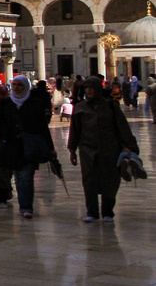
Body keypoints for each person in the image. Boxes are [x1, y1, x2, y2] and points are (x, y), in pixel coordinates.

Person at [67, 76, 139, 223]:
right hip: (87, 150)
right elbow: (75, 130)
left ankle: (108, 212)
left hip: (109, 149)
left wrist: (130, 146)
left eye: (92, 88)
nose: (89, 91)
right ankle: (92, 212)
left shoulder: (110, 106)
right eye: (87, 88)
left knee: (110, 180)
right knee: (89, 180)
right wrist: (72, 150)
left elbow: (122, 127)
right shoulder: (80, 107)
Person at [11, 76, 54, 219]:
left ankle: (27, 207)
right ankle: (23, 205)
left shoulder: (34, 103)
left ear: (26, 87)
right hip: (13, 146)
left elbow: (43, 126)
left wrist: (50, 147)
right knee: (18, 177)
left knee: (27, 176)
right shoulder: (8, 103)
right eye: (14, 85)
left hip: (30, 144)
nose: (16, 88)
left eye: (19, 85)